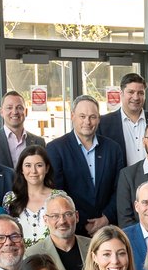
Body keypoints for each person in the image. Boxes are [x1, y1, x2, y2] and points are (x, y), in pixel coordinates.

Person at [47, 95, 125, 235]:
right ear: (72, 116)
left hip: (108, 227)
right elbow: (58, 191)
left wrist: (105, 218)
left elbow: (120, 189)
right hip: (72, 229)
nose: (87, 122)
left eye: (92, 117)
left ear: (99, 119)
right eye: (82, 116)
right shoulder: (56, 149)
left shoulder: (113, 149)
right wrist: (82, 222)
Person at [1, 145, 69, 246]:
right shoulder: (10, 198)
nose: (33, 171)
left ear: (47, 168)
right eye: (28, 165)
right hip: (19, 259)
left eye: (39, 165)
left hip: (51, 258)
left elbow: (66, 231)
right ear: (21, 169)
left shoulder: (59, 197)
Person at [97, 73, 148, 167]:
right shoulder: (104, 123)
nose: (136, 97)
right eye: (131, 92)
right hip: (119, 180)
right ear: (121, 93)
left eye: (140, 93)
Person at [25, 194, 88, 270]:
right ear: (45, 220)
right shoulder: (32, 254)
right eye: (55, 216)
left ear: (76, 216)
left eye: (67, 214)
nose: (62, 221)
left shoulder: (94, 246)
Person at [0, 91, 44, 171]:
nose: (15, 112)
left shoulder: (39, 142)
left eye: (19, 108)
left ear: (26, 112)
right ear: (1, 112)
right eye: (9, 108)